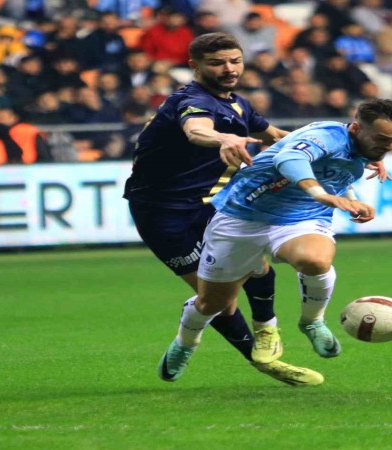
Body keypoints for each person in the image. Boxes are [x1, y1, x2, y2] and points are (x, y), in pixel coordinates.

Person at [159, 99, 392, 384]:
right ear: (355, 128)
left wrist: (352, 198)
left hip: (301, 217)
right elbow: (289, 159)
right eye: (383, 139)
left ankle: (312, 321)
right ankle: (185, 343)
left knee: (315, 260)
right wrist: (322, 195)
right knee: (212, 303)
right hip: (241, 217)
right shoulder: (326, 135)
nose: (391, 146)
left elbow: (337, 170)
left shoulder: (366, 146)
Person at [123, 32, 318, 386]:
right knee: (218, 301)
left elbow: (276, 135)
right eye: (217, 63)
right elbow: (196, 130)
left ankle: (266, 332)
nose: (229, 69)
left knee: (259, 269)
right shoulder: (192, 101)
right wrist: (223, 138)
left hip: (212, 204)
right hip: (163, 214)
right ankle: (260, 362)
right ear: (194, 66)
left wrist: (344, 148)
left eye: (235, 61)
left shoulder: (237, 104)